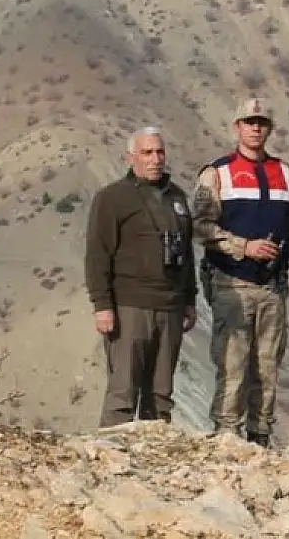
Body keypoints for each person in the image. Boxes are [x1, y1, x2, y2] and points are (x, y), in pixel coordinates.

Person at [192, 97, 289, 447]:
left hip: (272, 286)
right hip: (232, 282)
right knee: (233, 363)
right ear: (237, 127)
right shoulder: (218, 173)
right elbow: (201, 226)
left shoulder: (284, 173)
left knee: (267, 366)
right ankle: (227, 435)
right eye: (249, 122)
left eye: (262, 122)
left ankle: (260, 435)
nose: (256, 127)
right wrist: (243, 246)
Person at [84, 127, 198, 427]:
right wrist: (102, 305)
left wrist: (190, 299)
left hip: (170, 307)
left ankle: (154, 466)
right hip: (130, 306)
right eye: (147, 152)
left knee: (160, 395)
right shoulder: (113, 198)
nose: (155, 159)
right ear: (130, 157)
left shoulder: (177, 198)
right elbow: (97, 254)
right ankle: (111, 459)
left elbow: (187, 252)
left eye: (160, 151)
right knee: (124, 391)